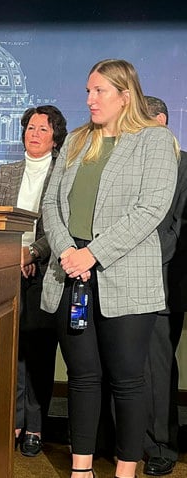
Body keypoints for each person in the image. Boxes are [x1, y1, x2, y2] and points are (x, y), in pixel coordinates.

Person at [40, 59, 179, 478]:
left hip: (123, 271)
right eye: (87, 91)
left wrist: (93, 254)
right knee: (82, 377)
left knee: (128, 381)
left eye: (99, 91)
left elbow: (151, 209)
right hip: (71, 271)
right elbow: (51, 203)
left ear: (125, 94)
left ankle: (125, 469)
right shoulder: (78, 140)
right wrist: (68, 251)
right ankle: (80, 469)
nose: (89, 99)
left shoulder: (154, 140)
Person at [0, 105, 67, 457]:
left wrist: (32, 253)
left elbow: (62, 226)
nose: (34, 134)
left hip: (47, 271)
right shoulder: (7, 172)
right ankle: (11, 421)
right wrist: (12, 255)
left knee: (38, 354)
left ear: (55, 137)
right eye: (30, 127)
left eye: (42, 129)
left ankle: (35, 424)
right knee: (10, 352)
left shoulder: (64, 173)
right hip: (7, 271)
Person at [142, 96, 187, 477]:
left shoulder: (184, 163)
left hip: (164, 283)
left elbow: (177, 229)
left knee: (157, 367)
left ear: (162, 121)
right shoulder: (131, 163)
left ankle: (162, 446)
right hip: (124, 280)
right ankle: (129, 440)